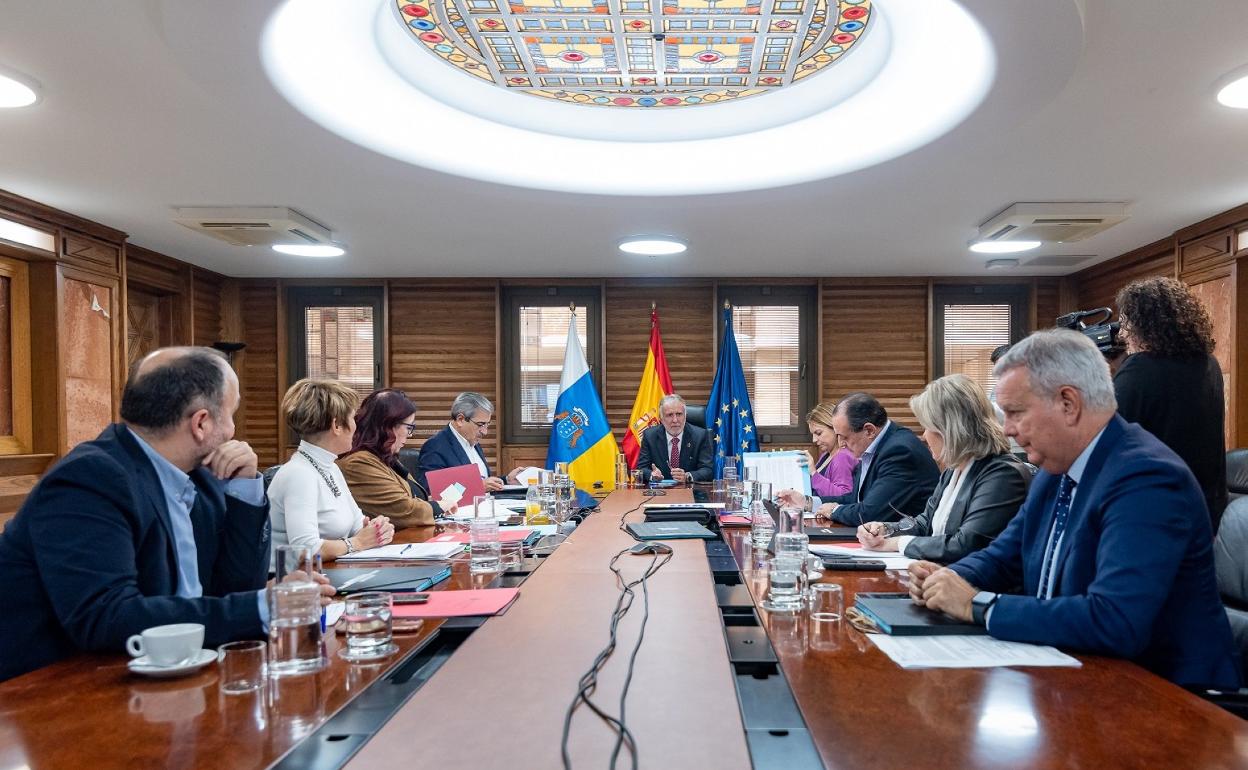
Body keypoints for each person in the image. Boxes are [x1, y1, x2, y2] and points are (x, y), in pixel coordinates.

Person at [909, 329, 1240, 688]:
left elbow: (1115, 619)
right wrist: (946, 579)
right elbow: (1004, 556)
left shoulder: (1147, 478)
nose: (1007, 430)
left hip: (1166, 693)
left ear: (1068, 403)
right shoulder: (1056, 469)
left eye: (1016, 413)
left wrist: (977, 605)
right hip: (1074, 674)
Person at [0, 346, 329, 683]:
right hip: (53, 690)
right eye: (231, 415)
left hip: (179, 673)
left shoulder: (201, 477)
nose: (233, 432)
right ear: (201, 423)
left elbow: (237, 586)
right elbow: (107, 617)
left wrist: (245, 488)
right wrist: (265, 606)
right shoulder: (89, 479)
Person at [856, 374, 1032, 563]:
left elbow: (966, 544)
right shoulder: (954, 469)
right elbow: (925, 523)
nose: (924, 436)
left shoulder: (1002, 475)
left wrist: (897, 543)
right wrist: (886, 529)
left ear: (949, 430)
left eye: (927, 427)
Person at [1114, 276, 1227, 531]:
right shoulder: (1210, 365)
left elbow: (1106, 435)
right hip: (1205, 509)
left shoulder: (1139, 369)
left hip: (1153, 511)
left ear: (1145, 325)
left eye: (1126, 323)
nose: (1121, 334)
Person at [269, 379, 394, 563]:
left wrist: (377, 529)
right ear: (336, 426)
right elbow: (304, 550)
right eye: (353, 419)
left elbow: (357, 525)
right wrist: (358, 543)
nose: (356, 426)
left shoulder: (330, 467)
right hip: (296, 577)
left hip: (327, 571)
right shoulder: (298, 474)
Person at [779, 392, 939, 525]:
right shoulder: (877, 446)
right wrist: (807, 502)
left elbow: (870, 512)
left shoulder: (899, 451)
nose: (841, 444)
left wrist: (834, 511)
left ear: (869, 430)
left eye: (845, 437)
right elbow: (854, 498)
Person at [340, 388, 452, 527]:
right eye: (409, 427)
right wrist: (439, 506)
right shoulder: (358, 463)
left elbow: (410, 497)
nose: (410, 434)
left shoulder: (382, 456)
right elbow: (404, 510)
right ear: (388, 426)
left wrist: (432, 503)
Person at [417, 392, 519, 493]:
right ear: (460, 419)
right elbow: (432, 491)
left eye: (487, 424)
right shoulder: (435, 447)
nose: (485, 432)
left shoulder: (473, 441)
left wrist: (506, 480)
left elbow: (482, 480)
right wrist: (477, 487)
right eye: (480, 424)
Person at [636, 394, 714, 484]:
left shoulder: (700, 435)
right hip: (660, 490)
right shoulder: (650, 436)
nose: (675, 420)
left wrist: (687, 476)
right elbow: (641, 468)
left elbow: (708, 470)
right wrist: (652, 475)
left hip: (690, 490)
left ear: (685, 416)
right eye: (669, 415)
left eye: (679, 414)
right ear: (661, 418)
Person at [803, 402, 858, 498]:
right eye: (813, 434)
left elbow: (844, 496)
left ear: (835, 428)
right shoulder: (827, 454)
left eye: (818, 433)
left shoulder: (842, 457)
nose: (814, 440)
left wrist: (813, 472)